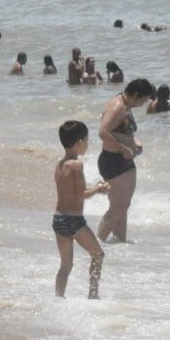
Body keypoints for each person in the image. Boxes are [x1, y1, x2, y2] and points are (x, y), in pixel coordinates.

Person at [52, 120, 108, 299]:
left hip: (59, 219)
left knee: (66, 266)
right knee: (98, 255)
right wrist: (99, 189)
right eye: (87, 140)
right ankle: (93, 294)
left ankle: (58, 297)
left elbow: (70, 193)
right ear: (79, 142)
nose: (88, 144)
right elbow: (80, 195)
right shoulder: (76, 165)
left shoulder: (60, 165)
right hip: (74, 221)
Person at [96, 78, 154, 244]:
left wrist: (134, 142)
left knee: (124, 206)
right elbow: (103, 132)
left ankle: (120, 243)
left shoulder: (126, 105)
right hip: (113, 161)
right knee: (117, 208)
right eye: (143, 100)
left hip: (124, 160)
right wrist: (123, 148)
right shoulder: (118, 107)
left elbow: (120, 132)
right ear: (135, 95)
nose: (143, 104)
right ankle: (96, 245)